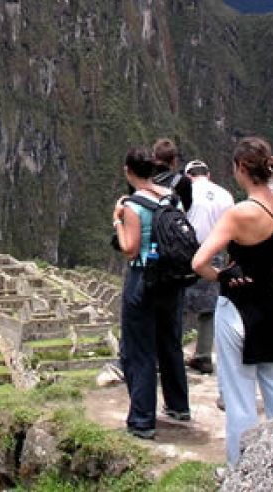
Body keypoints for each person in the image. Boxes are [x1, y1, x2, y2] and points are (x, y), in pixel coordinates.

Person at [191, 136, 273, 466]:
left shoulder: (239, 215)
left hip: (237, 308)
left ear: (241, 168)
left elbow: (199, 262)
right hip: (270, 304)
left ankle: (242, 472)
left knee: (240, 398)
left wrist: (221, 275)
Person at [112, 146, 190, 440]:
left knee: (139, 350)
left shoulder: (133, 205)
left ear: (128, 171)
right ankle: (179, 406)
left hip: (144, 279)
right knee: (170, 343)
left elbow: (130, 249)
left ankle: (142, 419)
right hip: (172, 280)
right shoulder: (173, 198)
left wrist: (118, 220)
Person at [183, 159, 234, 374]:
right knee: (209, 307)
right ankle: (203, 355)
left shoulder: (184, 193)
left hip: (185, 252)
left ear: (188, 176)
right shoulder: (224, 195)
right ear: (208, 174)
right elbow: (233, 229)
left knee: (179, 305)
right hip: (214, 251)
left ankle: (172, 354)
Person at [152, 138, 193, 211]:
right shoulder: (184, 182)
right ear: (174, 160)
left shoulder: (144, 179)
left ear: (154, 157)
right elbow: (186, 208)